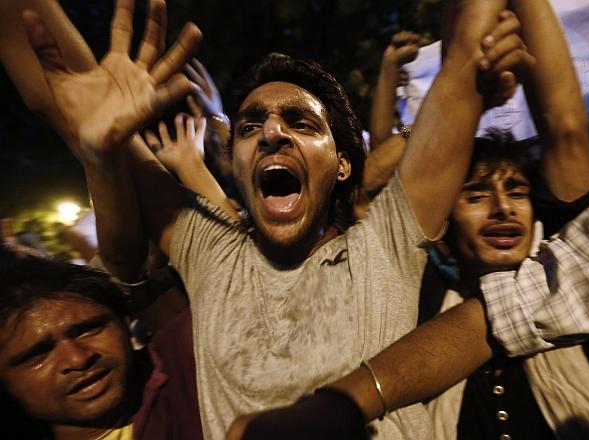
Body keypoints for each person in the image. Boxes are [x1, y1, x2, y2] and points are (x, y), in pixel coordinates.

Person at [18, 0, 532, 437]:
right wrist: (97, 138)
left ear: (342, 162)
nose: (271, 133)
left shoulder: (385, 244)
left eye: (301, 122)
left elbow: (465, 54)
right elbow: (63, 97)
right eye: (249, 126)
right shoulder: (210, 252)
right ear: (236, 165)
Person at [0, 247, 202, 440]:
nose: (78, 359)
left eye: (87, 330)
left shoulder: (193, 358)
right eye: (38, 354)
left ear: (124, 322)